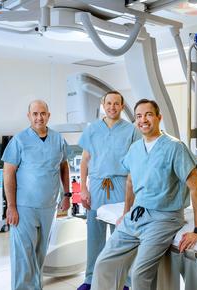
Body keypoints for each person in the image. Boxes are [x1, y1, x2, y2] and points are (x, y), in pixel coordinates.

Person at [91, 99, 197, 290]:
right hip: (136, 216)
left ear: (159, 117)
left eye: (148, 114)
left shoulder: (174, 147)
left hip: (164, 218)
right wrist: (126, 212)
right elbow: (130, 181)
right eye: (138, 116)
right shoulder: (135, 148)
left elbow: (196, 187)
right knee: (104, 263)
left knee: (140, 273)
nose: (143, 119)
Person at [2, 100, 70, 290]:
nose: (39, 117)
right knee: (23, 255)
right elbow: (8, 174)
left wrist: (67, 194)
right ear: (29, 116)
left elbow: (64, 166)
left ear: (48, 115)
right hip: (24, 207)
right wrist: (12, 206)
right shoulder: (19, 140)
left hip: (48, 206)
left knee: (40, 254)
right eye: (35, 113)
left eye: (43, 113)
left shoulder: (58, 139)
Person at [77, 91, 141, 290]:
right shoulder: (92, 129)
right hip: (96, 185)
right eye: (109, 103)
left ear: (122, 106)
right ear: (103, 104)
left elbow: (138, 161)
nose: (112, 107)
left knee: (122, 236)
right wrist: (83, 189)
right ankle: (90, 279)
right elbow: (85, 160)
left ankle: (125, 282)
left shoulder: (131, 130)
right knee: (94, 236)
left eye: (116, 103)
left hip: (121, 185)